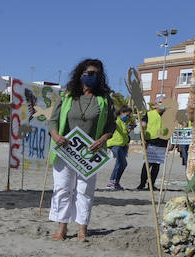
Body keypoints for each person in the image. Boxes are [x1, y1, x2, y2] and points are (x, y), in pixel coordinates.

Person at [47, 58, 115, 240]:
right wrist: (55, 135)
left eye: (98, 75)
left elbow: (111, 125)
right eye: (90, 73)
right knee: (62, 188)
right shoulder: (67, 96)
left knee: (85, 190)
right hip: (65, 150)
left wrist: (102, 139)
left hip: (90, 154)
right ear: (81, 74)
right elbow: (53, 120)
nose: (94, 77)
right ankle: (61, 227)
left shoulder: (104, 100)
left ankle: (82, 228)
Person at [135, 96, 169, 190]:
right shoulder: (149, 114)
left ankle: (151, 185)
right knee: (147, 164)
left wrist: (171, 143)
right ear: (156, 104)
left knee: (156, 165)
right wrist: (143, 140)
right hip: (150, 142)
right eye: (161, 102)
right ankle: (142, 184)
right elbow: (142, 128)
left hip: (162, 143)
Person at [103, 105, 132, 190]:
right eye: (127, 115)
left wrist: (130, 129)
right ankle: (112, 182)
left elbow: (124, 133)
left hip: (123, 144)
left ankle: (116, 182)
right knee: (121, 163)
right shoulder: (116, 120)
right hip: (115, 144)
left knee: (122, 163)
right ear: (121, 113)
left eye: (129, 115)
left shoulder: (124, 123)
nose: (128, 117)